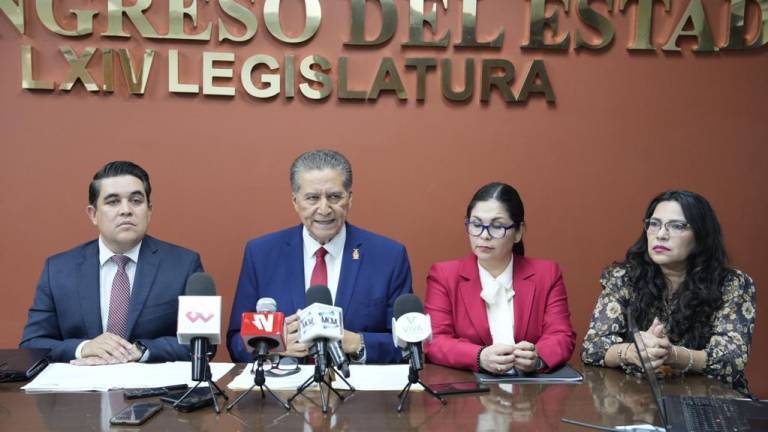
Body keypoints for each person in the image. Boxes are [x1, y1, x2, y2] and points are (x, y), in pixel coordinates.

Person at [227, 149, 413, 364]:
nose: (324, 209)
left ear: (349, 199)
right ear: (295, 201)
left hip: (359, 393)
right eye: (312, 198)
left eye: (334, 197)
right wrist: (269, 345)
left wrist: (357, 343)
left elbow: (408, 346)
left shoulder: (388, 256)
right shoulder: (261, 254)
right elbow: (235, 340)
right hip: (281, 392)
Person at [20, 161, 204, 364]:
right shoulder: (58, 270)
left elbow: (201, 344)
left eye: (136, 200)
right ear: (93, 214)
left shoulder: (183, 265)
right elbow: (31, 345)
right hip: (79, 391)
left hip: (154, 393)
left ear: (149, 211)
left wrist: (141, 351)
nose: (126, 210)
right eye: (113, 202)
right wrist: (84, 348)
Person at [581, 190, 756, 393]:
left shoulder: (732, 284)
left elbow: (732, 359)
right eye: (654, 224)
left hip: (711, 400)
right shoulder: (624, 278)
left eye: (677, 226)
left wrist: (672, 354)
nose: (661, 234)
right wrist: (632, 352)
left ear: (701, 235)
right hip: (638, 398)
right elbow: (592, 348)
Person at [424, 182, 576, 374]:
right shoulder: (444, 275)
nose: (484, 236)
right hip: (469, 394)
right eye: (476, 224)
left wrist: (537, 357)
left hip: (530, 395)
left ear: (518, 232)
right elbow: (434, 340)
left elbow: (561, 335)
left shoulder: (547, 273)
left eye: (497, 226)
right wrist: (479, 357)